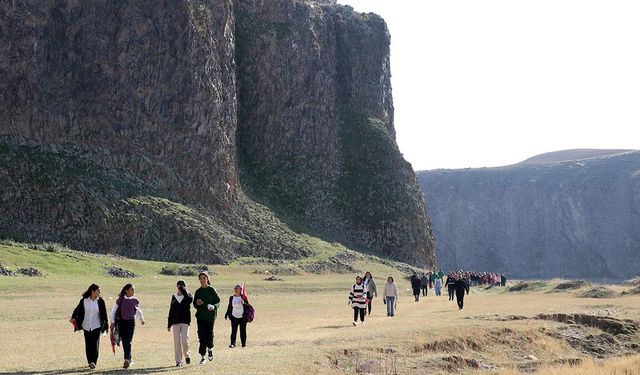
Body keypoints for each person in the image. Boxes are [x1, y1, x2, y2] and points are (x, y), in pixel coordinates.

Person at [70, 284, 109, 369]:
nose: (100, 292)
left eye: (100, 290)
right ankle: (90, 361)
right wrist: (73, 318)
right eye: (98, 290)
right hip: (86, 325)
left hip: (96, 325)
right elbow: (77, 310)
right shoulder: (84, 300)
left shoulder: (101, 301)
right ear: (92, 291)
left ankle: (93, 362)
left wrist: (106, 327)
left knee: (95, 344)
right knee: (88, 344)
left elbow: (104, 315)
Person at [110, 284, 145, 369]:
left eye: (134, 289)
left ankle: (127, 359)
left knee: (127, 341)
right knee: (125, 341)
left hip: (131, 323)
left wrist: (142, 319)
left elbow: (138, 311)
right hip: (121, 323)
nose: (133, 291)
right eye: (132, 289)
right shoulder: (120, 300)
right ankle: (129, 359)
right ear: (126, 290)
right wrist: (112, 322)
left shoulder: (135, 300)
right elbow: (113, 311)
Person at [193, 271, 220, 365]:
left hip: (210, 317)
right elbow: (194, 304)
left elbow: (218, 302)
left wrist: (214, 307)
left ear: (207, 279)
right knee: (201, 336)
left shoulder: (212, 290)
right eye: (200, 278)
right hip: (200, 317)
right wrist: (197, 303)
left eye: (204, 278)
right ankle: (203, 357)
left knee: (209, 335)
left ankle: (210, 349)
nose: (202, 280)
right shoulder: (198, 291)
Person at [168, 280, 193, 367]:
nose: (180, 288)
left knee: (184, 340)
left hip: (185, 321)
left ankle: (187, 355)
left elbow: (189, 301)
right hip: (175, 322)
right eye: (179, 286)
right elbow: (171, 310)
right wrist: (169, 323)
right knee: (177, 342)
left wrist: (183, 290)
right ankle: (179, 361)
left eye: (182, 286)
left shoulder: (188, 295)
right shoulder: (174, 296)